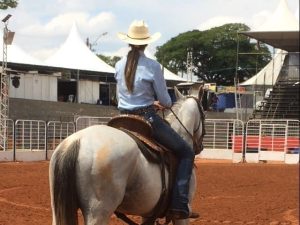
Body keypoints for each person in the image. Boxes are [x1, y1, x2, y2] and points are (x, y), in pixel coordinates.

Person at [115, 20, 198, 220]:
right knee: (186, 152)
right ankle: (179, 204)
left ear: (129, 42)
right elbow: (167, 101)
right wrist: (158, 103)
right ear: (146, 43)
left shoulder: (118, 64)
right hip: (146, 118)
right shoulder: (152, 66)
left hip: (121, 118)